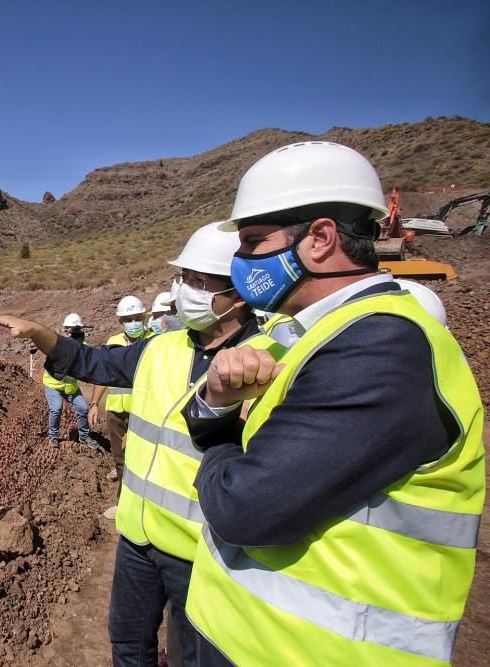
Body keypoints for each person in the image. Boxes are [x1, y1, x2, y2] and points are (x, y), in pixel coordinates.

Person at [181, 141, 485, 666]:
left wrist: (221, 441)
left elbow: (242, 509)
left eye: (254, 241)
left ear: (320, 239)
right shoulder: (296, 333)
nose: (241, 261)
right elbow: (207, 417)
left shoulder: (384, 346)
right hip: (246, 635)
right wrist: (216, 401)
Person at [0, 222, 284, 667]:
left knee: (194, 655)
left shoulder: (265, 359)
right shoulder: (159, 349)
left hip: (201, 550)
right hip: (137, 537)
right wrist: (39, 333)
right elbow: (90, 362)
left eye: (200, 282)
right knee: (128, 643)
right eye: (184, 279)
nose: (186, 291)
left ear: (237, 295)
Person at [88, 295, 156, 521]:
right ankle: (124, 503)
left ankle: (148, 506)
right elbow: (103, 375)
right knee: (121, 459)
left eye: (137, 318)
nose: (134, 323)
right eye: (128, 319)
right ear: (120, 322)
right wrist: (95, 403)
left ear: (144, 318)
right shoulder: (113, 341)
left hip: (145, 412)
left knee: (146, 459)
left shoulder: (155, 341)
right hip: (117, 411)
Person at [41, 313, 100, 450]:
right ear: (65, 331)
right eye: (72, 330)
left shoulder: (83, 346)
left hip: (71, 387)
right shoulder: (56, 344)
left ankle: (84, 436)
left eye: (77, 330)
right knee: (56, 409)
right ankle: (53, 437)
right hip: (53, 385)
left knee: (83, 408)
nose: (74, 333)